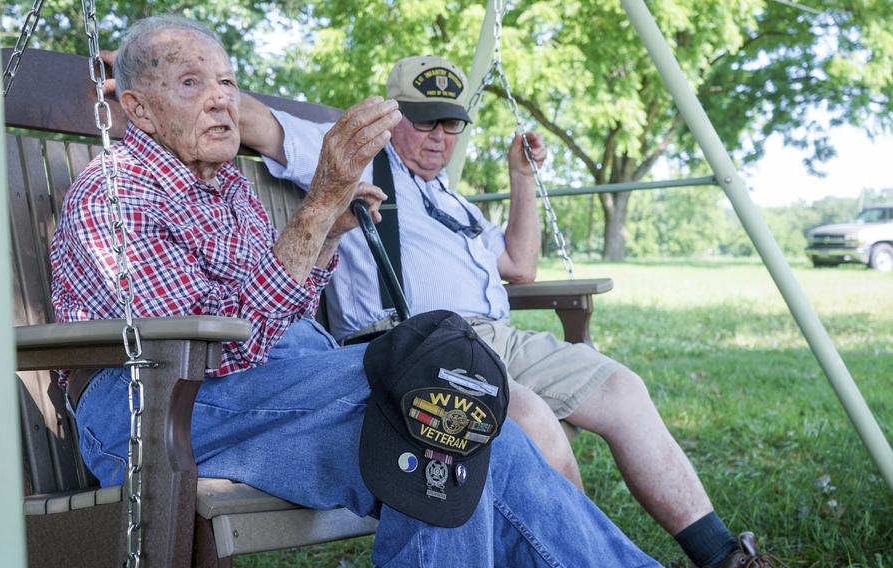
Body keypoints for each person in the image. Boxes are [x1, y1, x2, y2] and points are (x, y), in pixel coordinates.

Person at [53, 16, 664, 567]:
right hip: (152, 407)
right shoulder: (117, 191)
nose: (221, 99)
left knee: (454, 435)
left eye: (228, 82)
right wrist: (316, 208)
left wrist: (325, 234)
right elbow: (207, 353)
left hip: (264, 388)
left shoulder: (229, 191)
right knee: (436, 393)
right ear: (138, 108)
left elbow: (273, 312)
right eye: (191, 83)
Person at [239, 55, 777, 568]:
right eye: (426, 123)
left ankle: (722, 554)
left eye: (451, 125)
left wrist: (522, 178)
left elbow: (518, 265)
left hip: (496, 338)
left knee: (623, 389)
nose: (440, 139)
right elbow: (253, 120)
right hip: (420, 347)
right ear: (391, 117)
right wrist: (190, 82)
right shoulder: (351, 155)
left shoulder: (453, 200)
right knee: (533, 423)